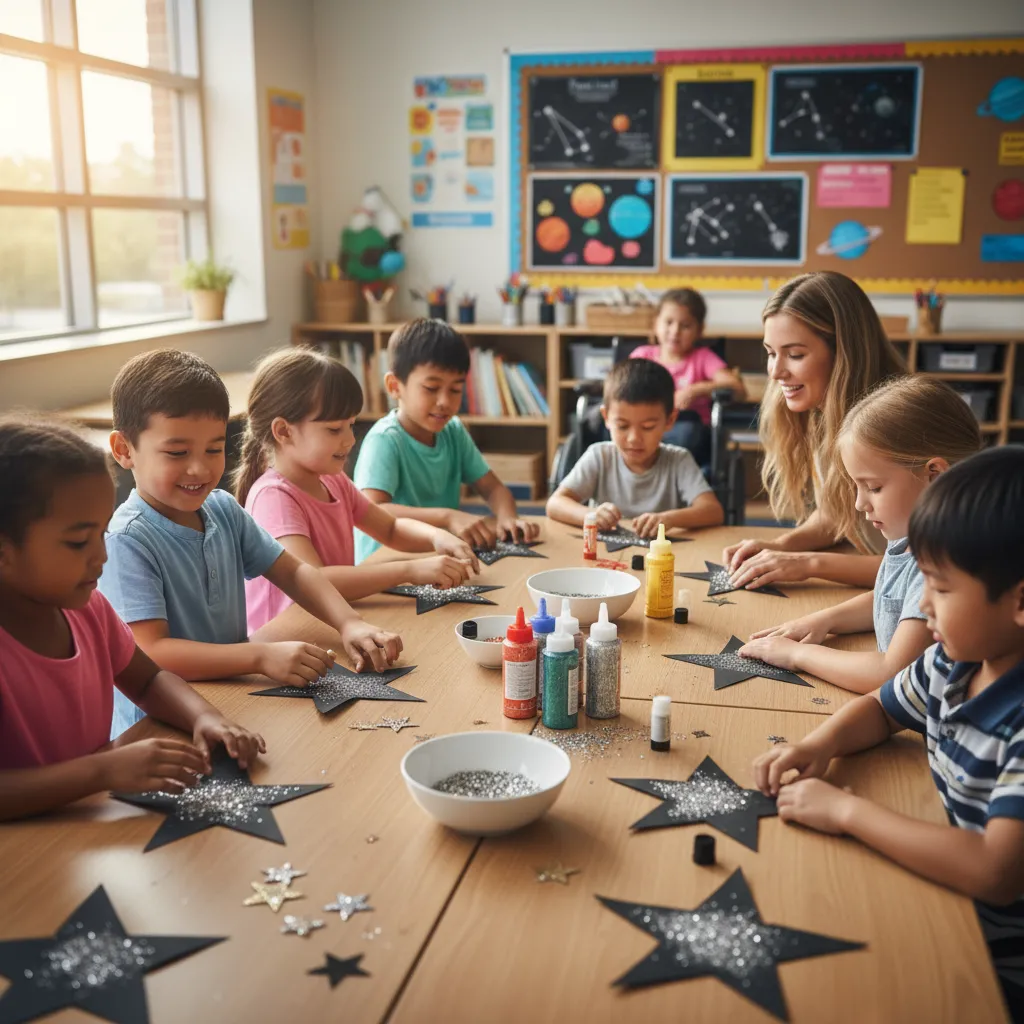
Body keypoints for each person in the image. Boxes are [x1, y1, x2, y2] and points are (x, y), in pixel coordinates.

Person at [753, 447, 1024, 1020]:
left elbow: (993, 871)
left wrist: (847, 812)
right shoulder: (955, 663)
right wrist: (820, 744)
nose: (922, 605)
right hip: (942, 891)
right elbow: (882, 708)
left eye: (940, 588)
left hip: (994, 969)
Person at [98, 349, 402, 737]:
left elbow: (294, 572)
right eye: (177, 452)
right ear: (124, 450)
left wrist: (350, 623)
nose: (200, 468)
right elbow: (152, 653)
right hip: (161, 728)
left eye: (213, 449)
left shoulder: (223, 508)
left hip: (232, 700)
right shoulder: (127, 541)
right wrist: (259, 656)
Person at [0, 416, 265, 822]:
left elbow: (148, 679)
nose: (101, 556)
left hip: (93, 826)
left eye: (102, 534)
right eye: (77, 542)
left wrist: (205, 717)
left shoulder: (90, 609)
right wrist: (101, 771)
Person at [739, 376, 981, 692]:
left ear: (934, 475)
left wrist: (798, 655)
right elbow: (891, 599)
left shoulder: (944, 562)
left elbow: (891, 674)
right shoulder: (912, 538)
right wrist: (825, 620)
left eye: (874, 487)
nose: (859, 503)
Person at [236, 347, 480, 633]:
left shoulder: (333, 480)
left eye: (351, 425)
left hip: (329, 626)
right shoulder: (274, 497)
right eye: (334, 429)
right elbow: (314, 581)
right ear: (283, 431)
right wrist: (409, 570)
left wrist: (436, 536)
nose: (350, 439)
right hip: (287, 637)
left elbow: (390, 529)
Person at [723, 271, 906, 591]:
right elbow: (837, 512)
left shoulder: (895, 426)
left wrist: (808, 563)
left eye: (795, 355)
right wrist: (781, 545)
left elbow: (920, 566)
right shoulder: (820, 412)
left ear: (844, 352)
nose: (775, 372)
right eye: (770, 353)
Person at [353, 319, 539, 562]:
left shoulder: (453, 431)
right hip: (386, 564)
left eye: (455, 390)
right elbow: (374, 510)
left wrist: (508, 518)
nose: (445, 401)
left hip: (434, 558)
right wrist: (447, 517)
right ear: (394, 386)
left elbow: (493, 488)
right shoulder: (385, 440)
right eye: (431, 388)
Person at [546, 358, 724, 537]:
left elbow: (713, 511)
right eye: (622, 426)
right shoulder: (599, 456)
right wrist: (589, 515)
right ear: (606, 417)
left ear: (670, 420)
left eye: (648, 427)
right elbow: (555, 504)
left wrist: (670, 519)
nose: (634, 439)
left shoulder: (679, 460)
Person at [629, 286, 746, 459]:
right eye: (669, 322)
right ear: (656, 323)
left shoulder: (703, 358)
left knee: (687, 433)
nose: (675, 331)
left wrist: (695, 390)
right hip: (642, 426)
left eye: (685, 326)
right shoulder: (642, 356)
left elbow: (737, 388)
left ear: (699, 330)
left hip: (684, 428)